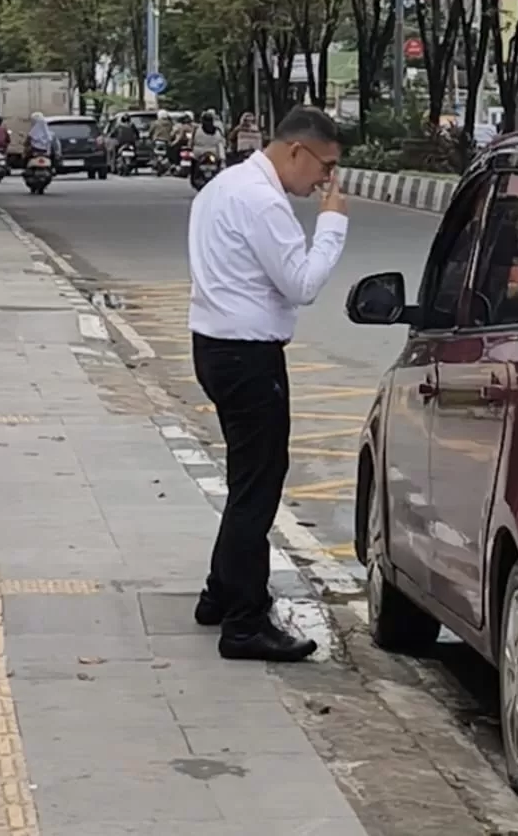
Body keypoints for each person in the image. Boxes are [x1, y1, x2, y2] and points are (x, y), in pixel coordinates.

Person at [188, 105, 347, 662]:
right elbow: (302, 283)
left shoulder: (223, 185)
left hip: (214, 346)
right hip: (248, 357)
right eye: (324, 167)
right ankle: (244, 621)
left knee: (246, 475)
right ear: (296, 150)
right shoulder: (261, 200)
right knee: (259, 485)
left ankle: (219, 591)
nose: (325, 180)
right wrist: (332, 222)